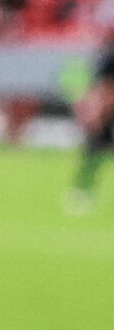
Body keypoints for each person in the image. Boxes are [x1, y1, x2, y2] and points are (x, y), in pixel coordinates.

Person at [68, 39, 114, 213]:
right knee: (94, 152)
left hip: (106, 111)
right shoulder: (110, 58)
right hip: (108, 113)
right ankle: (82, 189)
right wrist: (98, 114)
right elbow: (104, 88)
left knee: (95, 151)